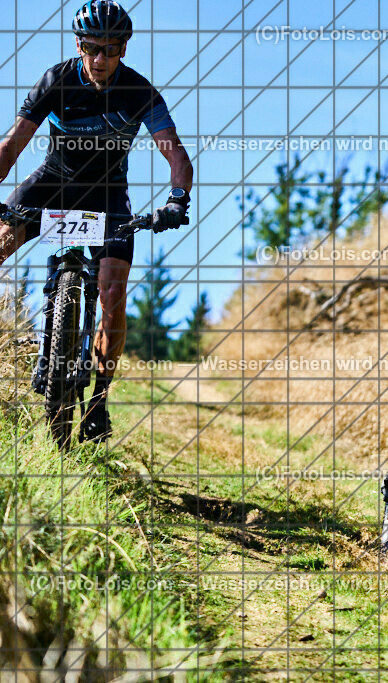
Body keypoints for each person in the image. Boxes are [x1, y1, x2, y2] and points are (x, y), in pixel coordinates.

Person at [0, 0, 193, 443]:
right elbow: (11, 145)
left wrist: (177, 201)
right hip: (54, 181)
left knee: (112, 291)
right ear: (78, 45)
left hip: (108, 196)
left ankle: (98, 403)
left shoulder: (140, 92)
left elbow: (175, 152)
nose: (101, 59)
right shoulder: (57, 80)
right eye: (92, 48)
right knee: (1, 240)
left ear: (124, 48)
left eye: (111, 49)